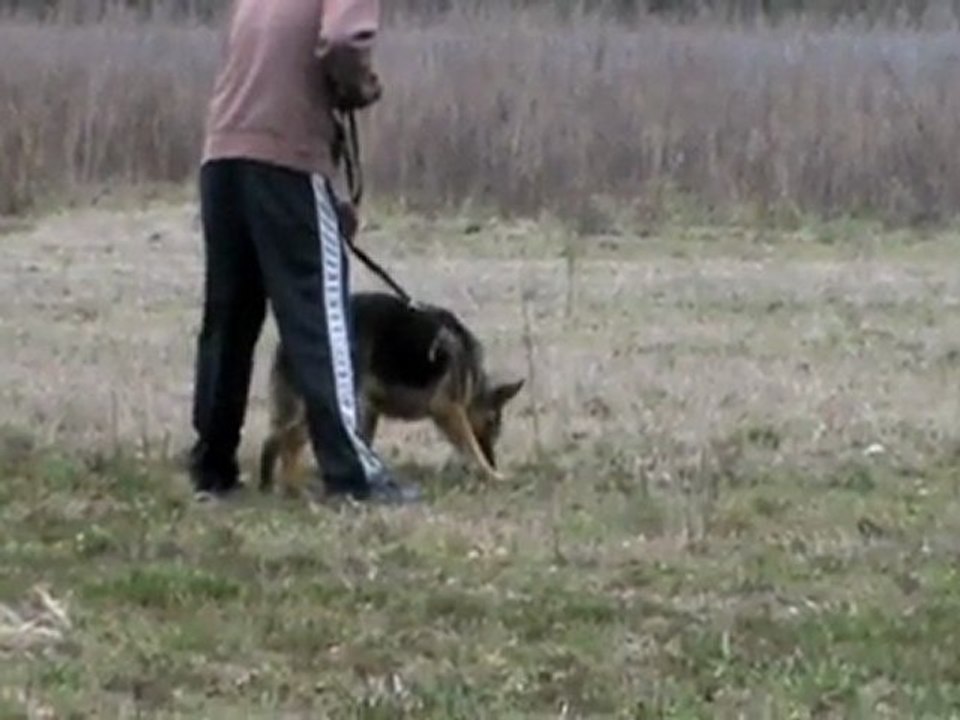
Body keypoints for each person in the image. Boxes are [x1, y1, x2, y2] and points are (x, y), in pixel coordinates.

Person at [187, 0, 421, 505]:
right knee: (321, 317)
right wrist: (358, 88)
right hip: (287, 160)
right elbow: (343, 41)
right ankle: (352, 475)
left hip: (223, 158)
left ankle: (212, 468)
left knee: (227, 321)